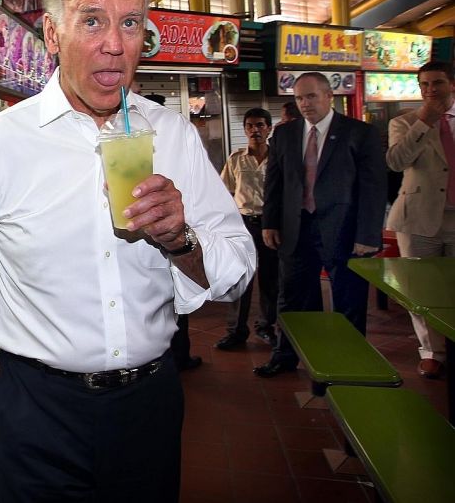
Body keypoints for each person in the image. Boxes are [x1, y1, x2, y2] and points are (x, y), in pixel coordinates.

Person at [0, 0, 255, 502]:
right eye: (92, 21)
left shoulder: (169, 134)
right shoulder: (1, 143)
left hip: (148, 403)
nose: (114, 44)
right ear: (52, 35)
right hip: (36, 409)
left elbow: (238, 273)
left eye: (130, 23)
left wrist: (181, 240)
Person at [256, 72, 386, 377]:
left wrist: (368, 234)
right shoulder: (285, 135)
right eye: (299, 98)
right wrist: (269, 222)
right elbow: (274, 183)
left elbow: (373, 187)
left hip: (344, 231)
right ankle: (286, 355)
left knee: (348, 299)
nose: (305, 104)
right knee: (292, 298)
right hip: (296, 229)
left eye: (311, 96)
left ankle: (350, 361)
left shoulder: (359, 133)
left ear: (330, 96)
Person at [385, 61, 455, 379]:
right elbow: (396, 162)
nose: (430, 90)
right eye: (423, 84)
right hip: (418, 219)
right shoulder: (404, 122)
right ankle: (431, 351)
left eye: (437, 83)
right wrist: (425, 122)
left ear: (451, 84)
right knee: (421, 290)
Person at [143, 93, 202, 371]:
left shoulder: (174, 141)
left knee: (178, 303)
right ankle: (180, 354)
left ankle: (179, 355)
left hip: (174, 245)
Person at [217, 108, 279, 350]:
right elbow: (225, 193)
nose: (255, 130)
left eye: (260, 125)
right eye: (250, 126)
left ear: (269, 128)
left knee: (270, 279)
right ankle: (236, 331)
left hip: (271, 225)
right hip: (244, 224)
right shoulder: (235, 159)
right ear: (244, 130)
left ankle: (266, 326)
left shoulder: (277, 158)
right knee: (240, 279)